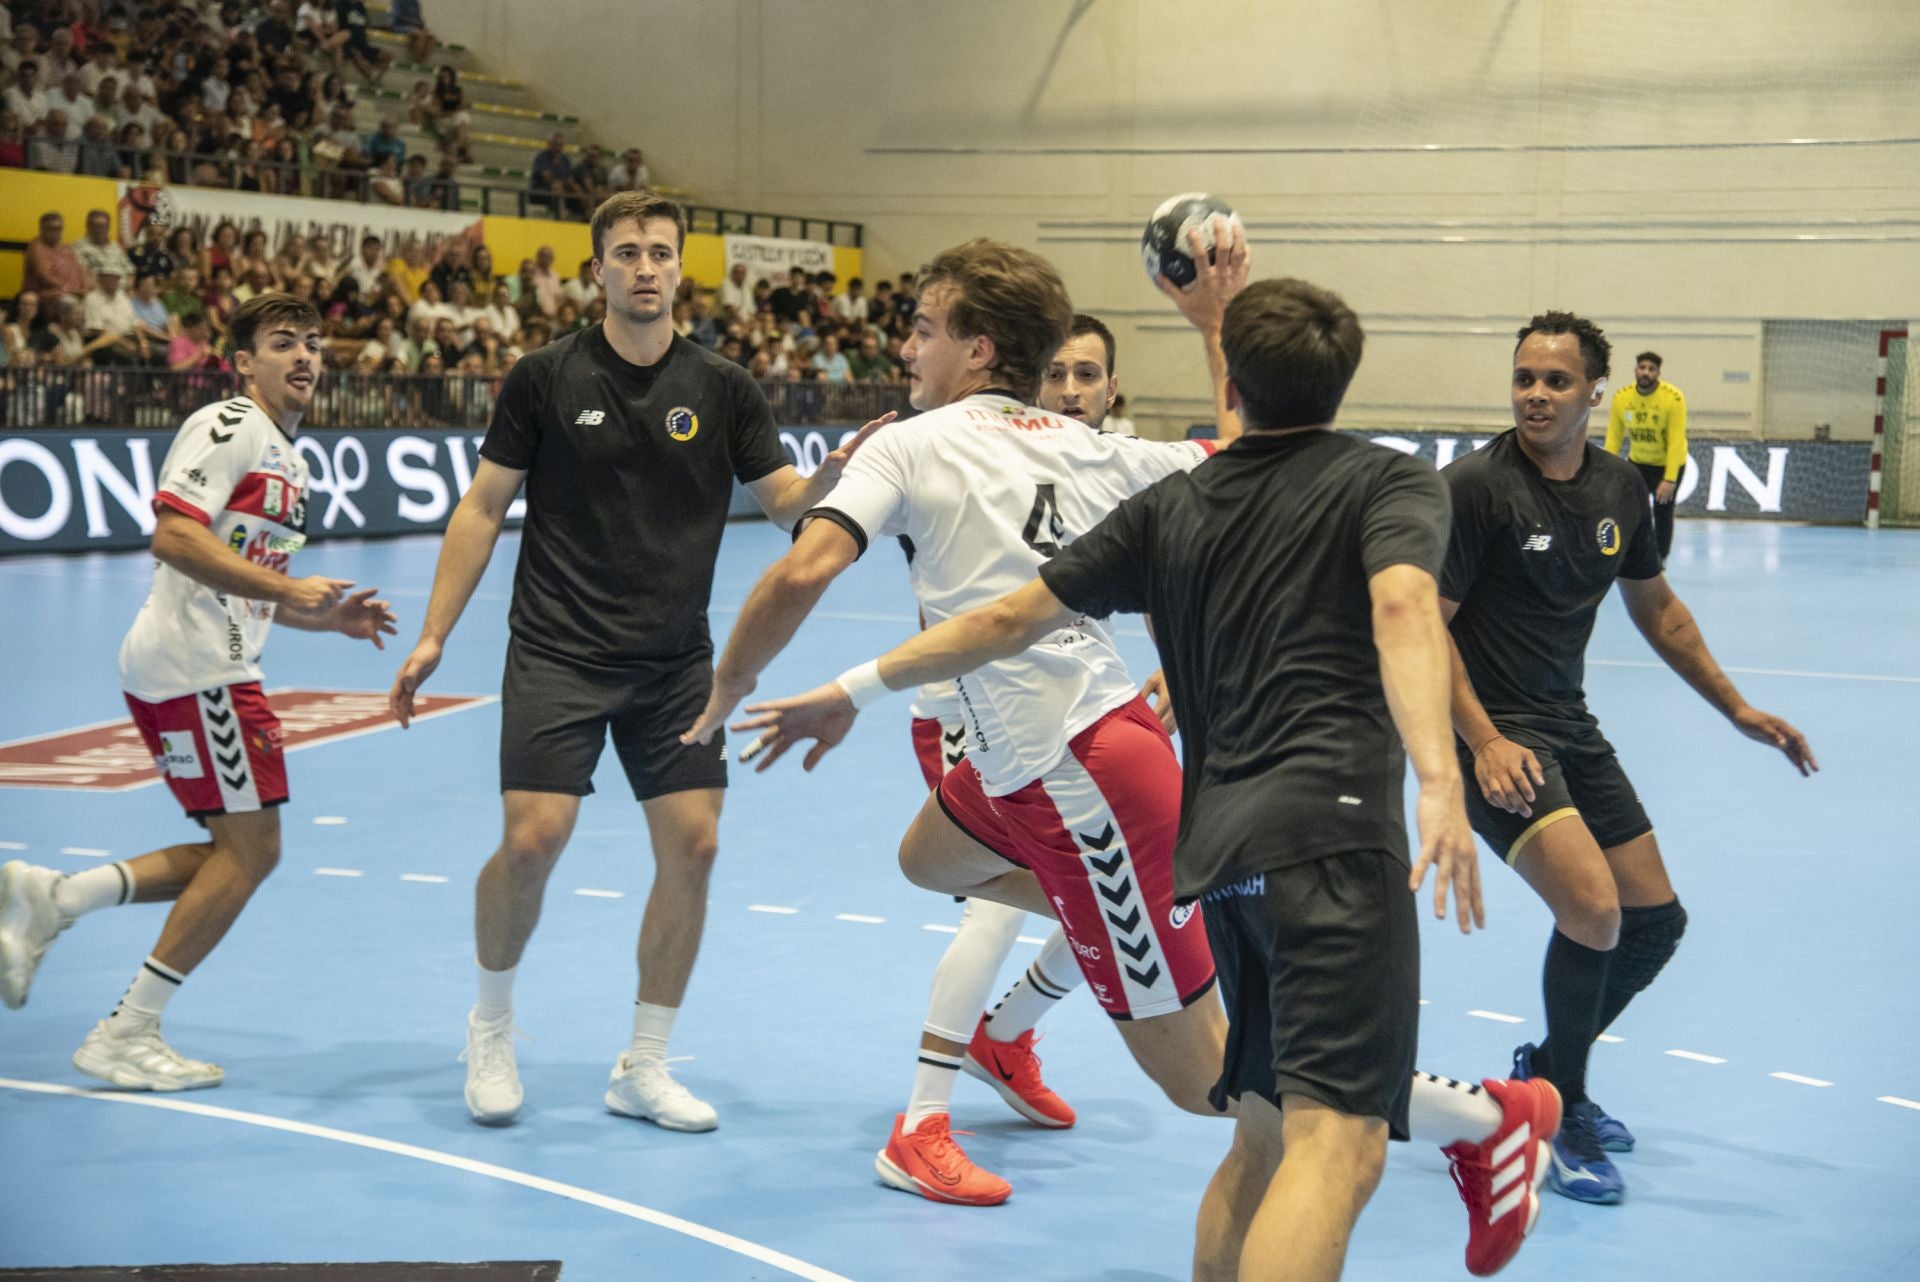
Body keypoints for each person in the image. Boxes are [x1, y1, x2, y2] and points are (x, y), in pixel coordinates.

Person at [716, 271, 1562, 1280]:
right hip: (1113, 785)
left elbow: (984, 608)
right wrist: (1438, 778)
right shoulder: (1162, 461)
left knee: (1233, 1102)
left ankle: (1472, 1113)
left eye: (925, 327)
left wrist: (811, 688)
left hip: (1105, 777)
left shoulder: (1100, 483)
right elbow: (1317, 529)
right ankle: (1075, 992)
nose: (908, 344)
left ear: (980, 349)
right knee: (933, 868)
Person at [385, 192, 886, 1133]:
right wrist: (434, 633)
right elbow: (483, 508)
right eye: (627, 253)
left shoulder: (725, 385)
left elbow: (782, 504)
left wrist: (827, 483)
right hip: (557, 648)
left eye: (660, 252)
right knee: (532, 842)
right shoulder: (543, 376)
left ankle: (644, 1064)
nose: (645, 267)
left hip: (673, 663)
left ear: (681, 267)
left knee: (694, 848)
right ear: (599, 270)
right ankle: (490, 1024)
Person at [1440, 311, 1817, 1204]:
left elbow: (1657, 607)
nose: (1536, 395)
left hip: (1567, 723)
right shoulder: (1475, 488)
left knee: (1656, 923)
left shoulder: (1619, 489)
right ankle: (1555, 1105)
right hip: (1492, 738)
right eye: (1524, 378)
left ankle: (1546, 1070)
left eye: (1556, 381)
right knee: (1596, 912)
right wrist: (1483, 741)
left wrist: (1736, 708)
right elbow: (1428, 631)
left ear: (1593, 392)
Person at [0, 294, 398, 1087]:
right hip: (198, 668)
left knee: (233, 853)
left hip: (196, 664)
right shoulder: (230, 425)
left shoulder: (294, 456)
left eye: (314, 344)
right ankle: (126, 1031)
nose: (306, 357)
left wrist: (327, 619)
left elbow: (246, 585)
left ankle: (59, 897)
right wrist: (289, 595)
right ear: (243, 363)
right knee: (254, 853)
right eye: (283, 343)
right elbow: (175, 534)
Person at [1603, 350, 1687, 562]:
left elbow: (1677, 440)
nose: (1646, 373)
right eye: (1642, 368)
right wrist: (1605, 470)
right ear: (1636, 370)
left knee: (1663, 513)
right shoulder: (1622, 398)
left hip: (1665, 465)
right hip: (1638, 463)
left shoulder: (1673, 398)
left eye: (1651, 369)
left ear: (1658, 373)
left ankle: (1659, 560)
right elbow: (1614, 437)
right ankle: (1629, 555)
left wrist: (1669, 479)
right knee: (1629, 511)